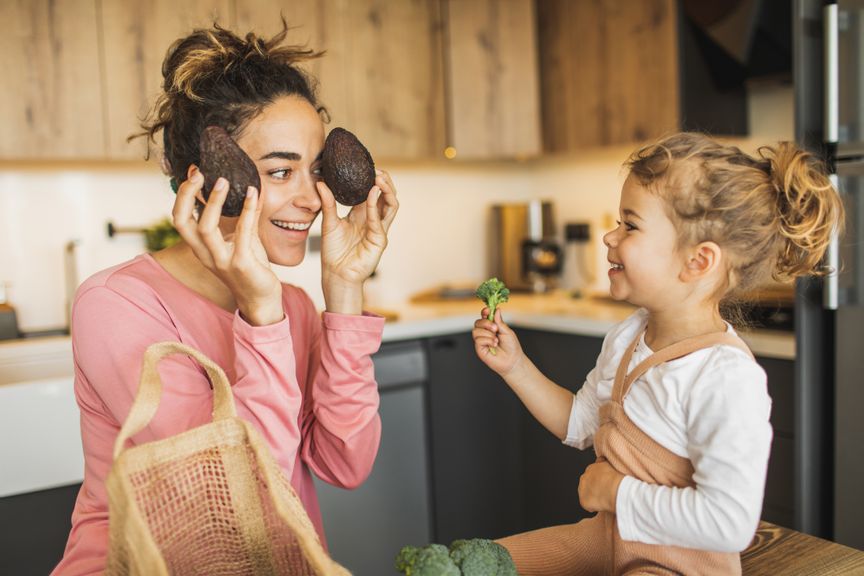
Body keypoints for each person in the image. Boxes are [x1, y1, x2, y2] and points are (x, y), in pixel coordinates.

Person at [53, 22, 398, 575]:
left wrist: (345, 292)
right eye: (281, 171)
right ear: (208, 181)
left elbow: (346, 463)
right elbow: (234, 503)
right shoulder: (116, 305)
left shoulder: (297, 308)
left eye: (315, 171)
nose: (311, 198)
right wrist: (262, 316)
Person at [472, 132, 843, 575]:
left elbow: (729, 522)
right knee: (482, 564)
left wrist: (615, 493)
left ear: (698, 261)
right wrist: (516, 367)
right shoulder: (627, 337)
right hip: (605, 540)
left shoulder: (725, 377)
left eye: (630, 224)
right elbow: (579, 424)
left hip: (675, 565)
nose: (610, 237)